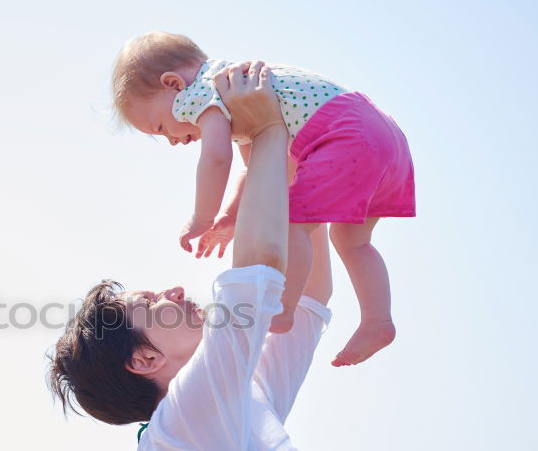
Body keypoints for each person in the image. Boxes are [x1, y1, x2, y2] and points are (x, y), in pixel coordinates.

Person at [48, 62, 378, 451]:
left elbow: (306, 299)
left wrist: (299, 159)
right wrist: (269, 133)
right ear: (142, 360)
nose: (174, 291)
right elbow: (258, 274)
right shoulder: (182, 431)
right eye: (149, 304)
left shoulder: (232, 409)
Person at [111, 31, 416, 366]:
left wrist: (202, 217)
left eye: (159, 127)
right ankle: (378, 321)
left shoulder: (199, 93)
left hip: (345, 136)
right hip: (382, 134)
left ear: (172, 84)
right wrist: (229, 216)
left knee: (289, 224)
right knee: (352, 241)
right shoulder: (235, 89)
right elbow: (250, 167)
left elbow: (216, 158)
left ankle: (283, 308)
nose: (170, 140)